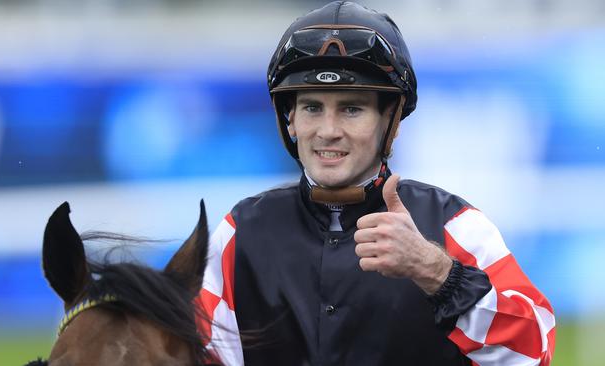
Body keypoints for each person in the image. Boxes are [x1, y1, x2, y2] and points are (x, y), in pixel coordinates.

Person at [196, 2, 555, 365]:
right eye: (312, 108)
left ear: (392, 121)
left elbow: (534, 354)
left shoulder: (455, 224)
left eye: (352, 109)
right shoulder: (239, 232)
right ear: (289, 120)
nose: (328, 131)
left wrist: (437, 272)